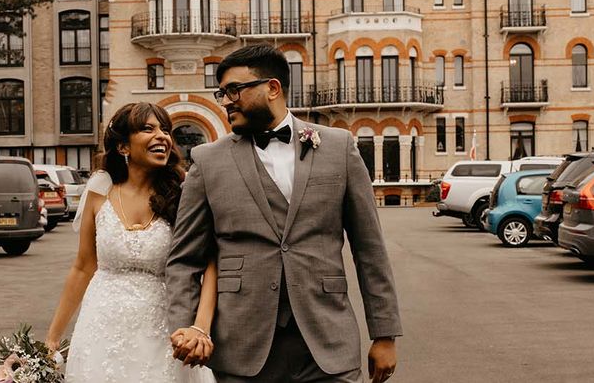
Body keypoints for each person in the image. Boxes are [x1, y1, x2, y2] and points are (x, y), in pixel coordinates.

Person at [166, 44, 402, 382]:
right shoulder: (207, 160)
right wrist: (186, 326)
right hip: (242, 347)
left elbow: (370, 250)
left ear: (272, 88)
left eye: (234, 90)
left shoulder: (338, 147)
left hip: (327, 344)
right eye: (221, 93)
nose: (226, 101)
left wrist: (384, 334)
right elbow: (184, 259)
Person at [46, 102, 217, 382]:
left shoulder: (184, 192)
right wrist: (52, 339)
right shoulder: (99, 192)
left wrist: (200, 328)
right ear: (123, 147)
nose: (162, 135)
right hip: (100, 326)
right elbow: (83, 267)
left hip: (164, 329)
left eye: (165, 129)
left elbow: (209, 263)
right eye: (148, 129)